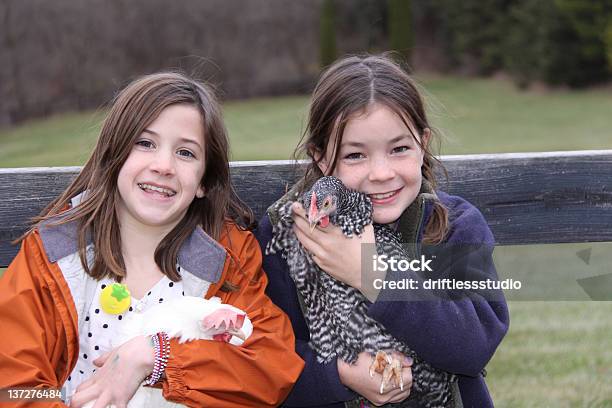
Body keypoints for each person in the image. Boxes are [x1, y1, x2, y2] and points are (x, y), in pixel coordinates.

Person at [0, 72, 304, 407]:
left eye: (186, 153)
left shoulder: (227, 258)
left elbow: (270, 365)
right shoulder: (54, 254)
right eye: (145, 143)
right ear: (114, 155)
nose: (163, 166)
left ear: (204, 181)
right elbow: (12, 387)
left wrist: (157, 355)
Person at [255, 54, 509, 407]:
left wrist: (371, 274)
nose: (381, 173)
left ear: (423, 144)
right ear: (321, 158)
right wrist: (340, 373)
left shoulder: (454, 225)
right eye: (356, 155)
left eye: (399, 149)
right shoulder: (286, 233)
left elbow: (474, 346)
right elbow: (263, 357)